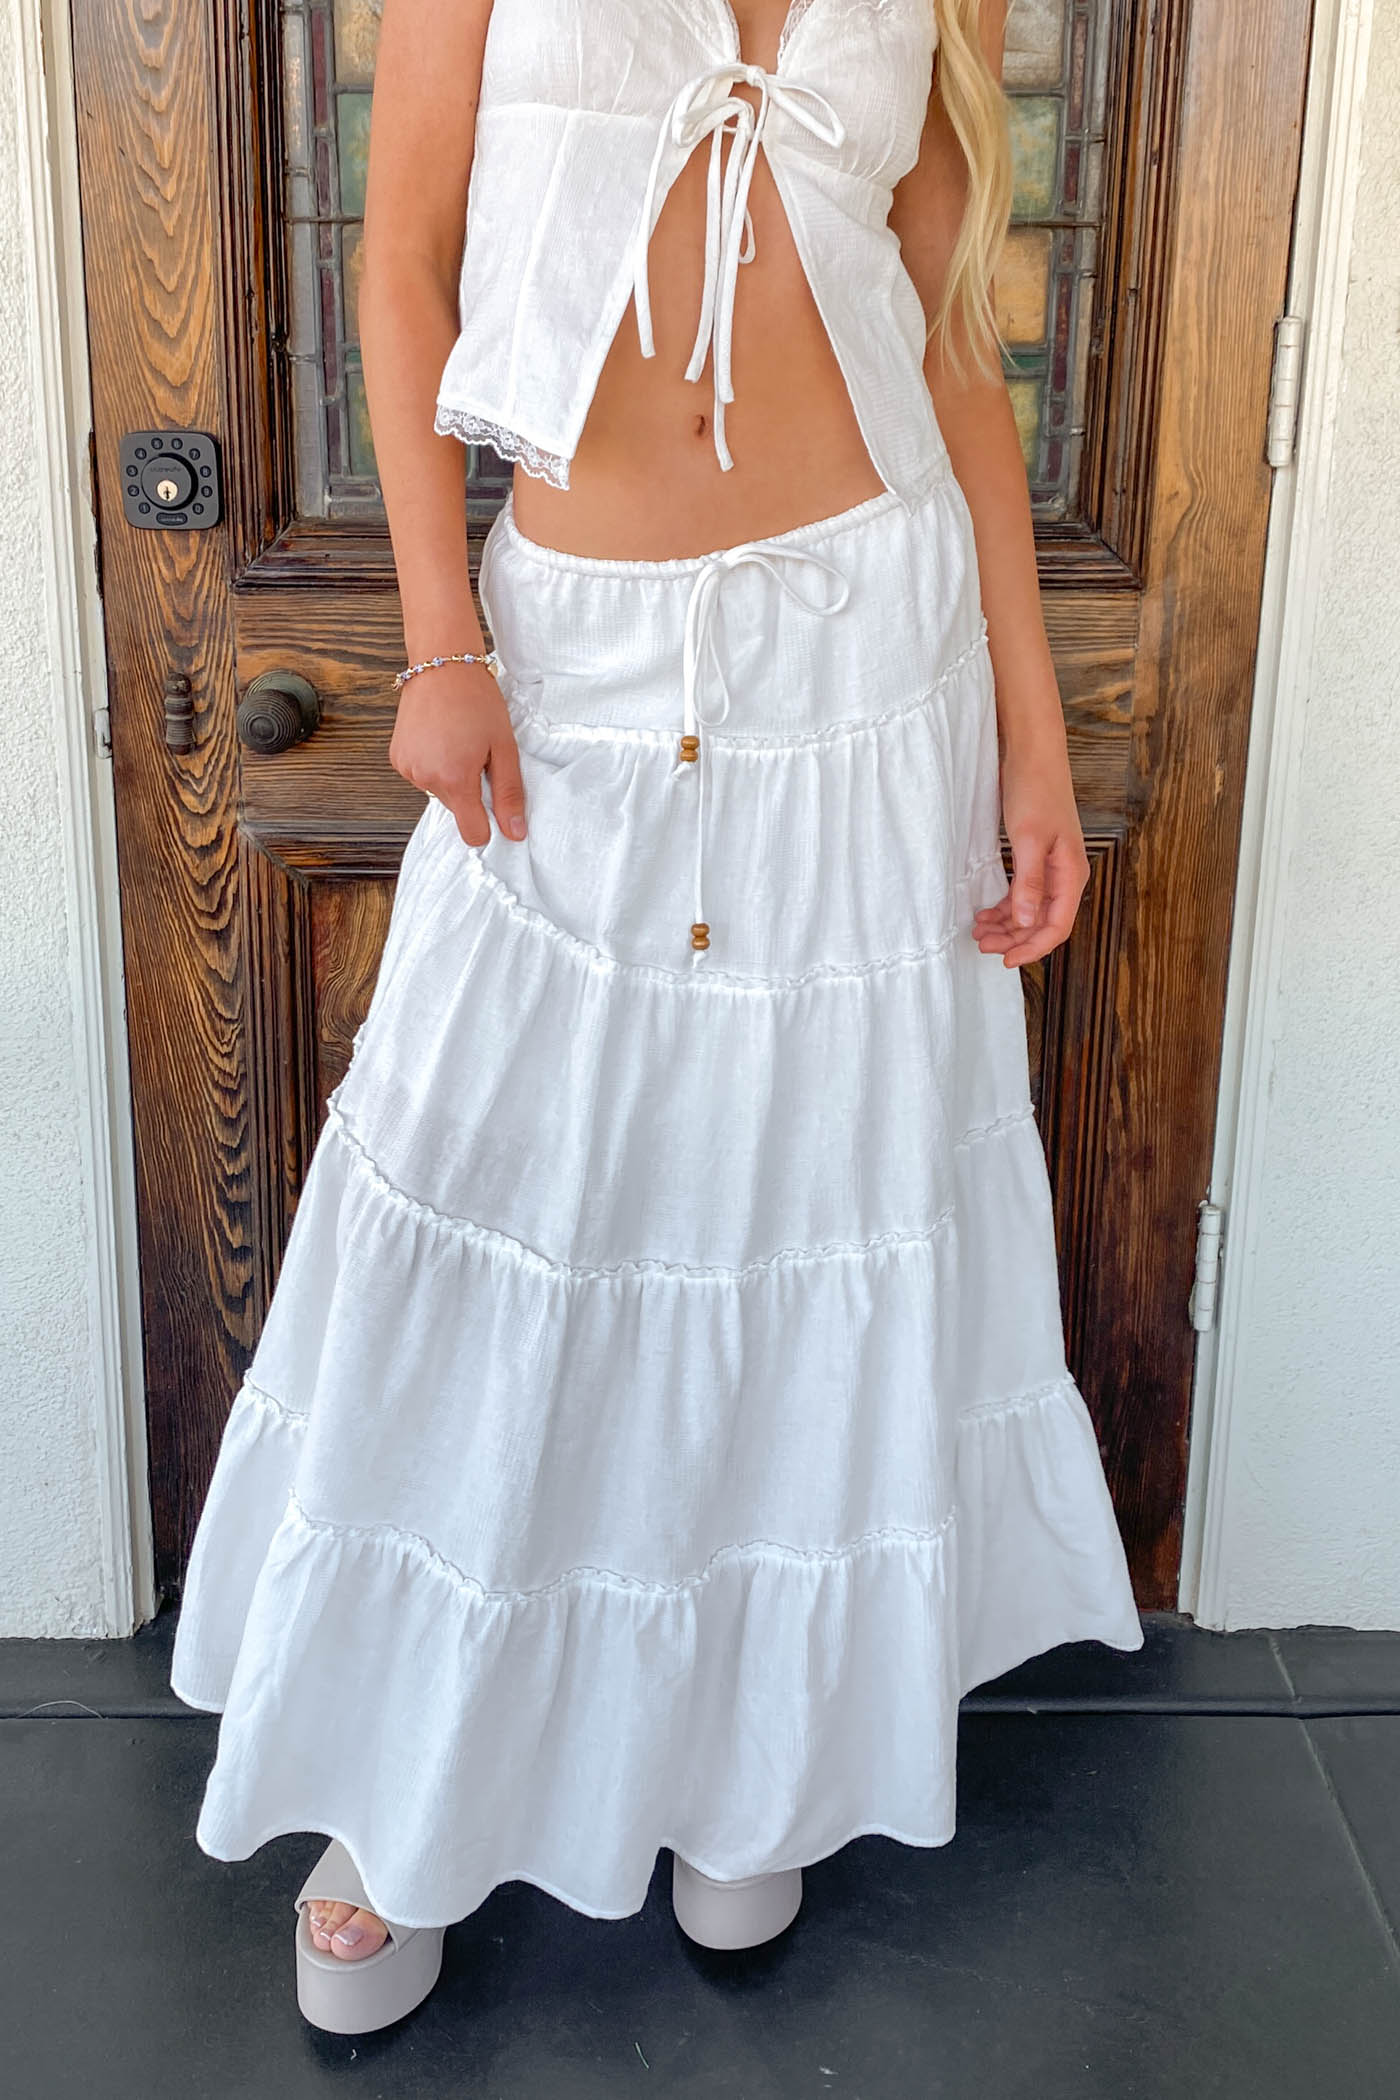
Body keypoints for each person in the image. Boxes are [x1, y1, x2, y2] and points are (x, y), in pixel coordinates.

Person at [170, 0, 1145, 2035]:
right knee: (491, 1209)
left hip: (871, 673)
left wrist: (1031, 743)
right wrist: (438, 635)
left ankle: (744, 1755)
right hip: (574, 670)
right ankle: (393, 1797)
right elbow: (402, 258)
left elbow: (955, 347)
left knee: (792, 1215)